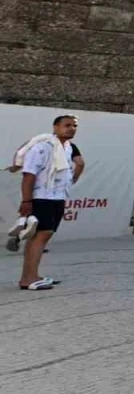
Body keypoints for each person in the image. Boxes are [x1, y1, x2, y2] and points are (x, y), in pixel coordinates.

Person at [12, 115, 80, 288]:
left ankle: (31, 276)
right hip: (42, 197)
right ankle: (28, 279)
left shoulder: (68, 148)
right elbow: (29, 175)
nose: (71, 128)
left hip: (58, 197)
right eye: (67, 125)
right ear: (55, 127)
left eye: (74, 126)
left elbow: (77, 165)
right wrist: (27, 201)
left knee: (41, 236)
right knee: (41, 235)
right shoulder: (41, 147)